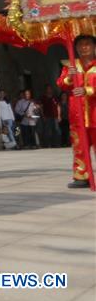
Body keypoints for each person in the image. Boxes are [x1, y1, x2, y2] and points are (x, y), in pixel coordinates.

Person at [56, 34, 96, 189]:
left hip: (94, 114)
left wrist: (88, 90)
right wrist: (70, 78)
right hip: (77, 115)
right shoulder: (71, 66)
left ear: (94, 47)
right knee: (80, 147)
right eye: (80, 45)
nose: (83, 47)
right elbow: (61, 84)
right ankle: (81, 176)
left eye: (87, 44)